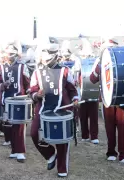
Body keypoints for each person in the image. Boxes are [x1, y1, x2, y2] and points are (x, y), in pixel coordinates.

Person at [29, 36, 79, 177]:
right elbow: (32, 92)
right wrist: (37, 95)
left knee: (63, 140)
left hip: (62, 109)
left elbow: (72, 90)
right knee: (34, 134)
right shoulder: (37, 72)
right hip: (43, 109)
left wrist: (75, 99)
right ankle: (50, 155)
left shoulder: (65, 71)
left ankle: (62, 169)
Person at [90, 37, 124, 165]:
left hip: (120, 97)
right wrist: (99, 65)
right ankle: (111, 152)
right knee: (109, 127)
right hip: (107, 98)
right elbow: (93, 79)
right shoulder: (100, 61)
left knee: (122, 126)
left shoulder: (122, 60)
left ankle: (123, 154)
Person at [0, 40, 30, 162]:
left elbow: (27, 83)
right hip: (6, 100)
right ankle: (14, 150)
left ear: (16, 55)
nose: (10, 56)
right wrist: (2, 85)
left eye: (12, 54)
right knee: (9, 126)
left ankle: (20, 152)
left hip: (19, 100)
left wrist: (29, 94)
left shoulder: (22, 66)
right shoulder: (1, 67)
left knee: (19, 127)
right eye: (8, 54)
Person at [0, 51, 11, 144]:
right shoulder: (0, 67)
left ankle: (14, 140)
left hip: (17, 97)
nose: (2, 58)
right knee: (5, 116)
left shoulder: (20, 67)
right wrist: (2, 85)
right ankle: (6, 135)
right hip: (3, 95)